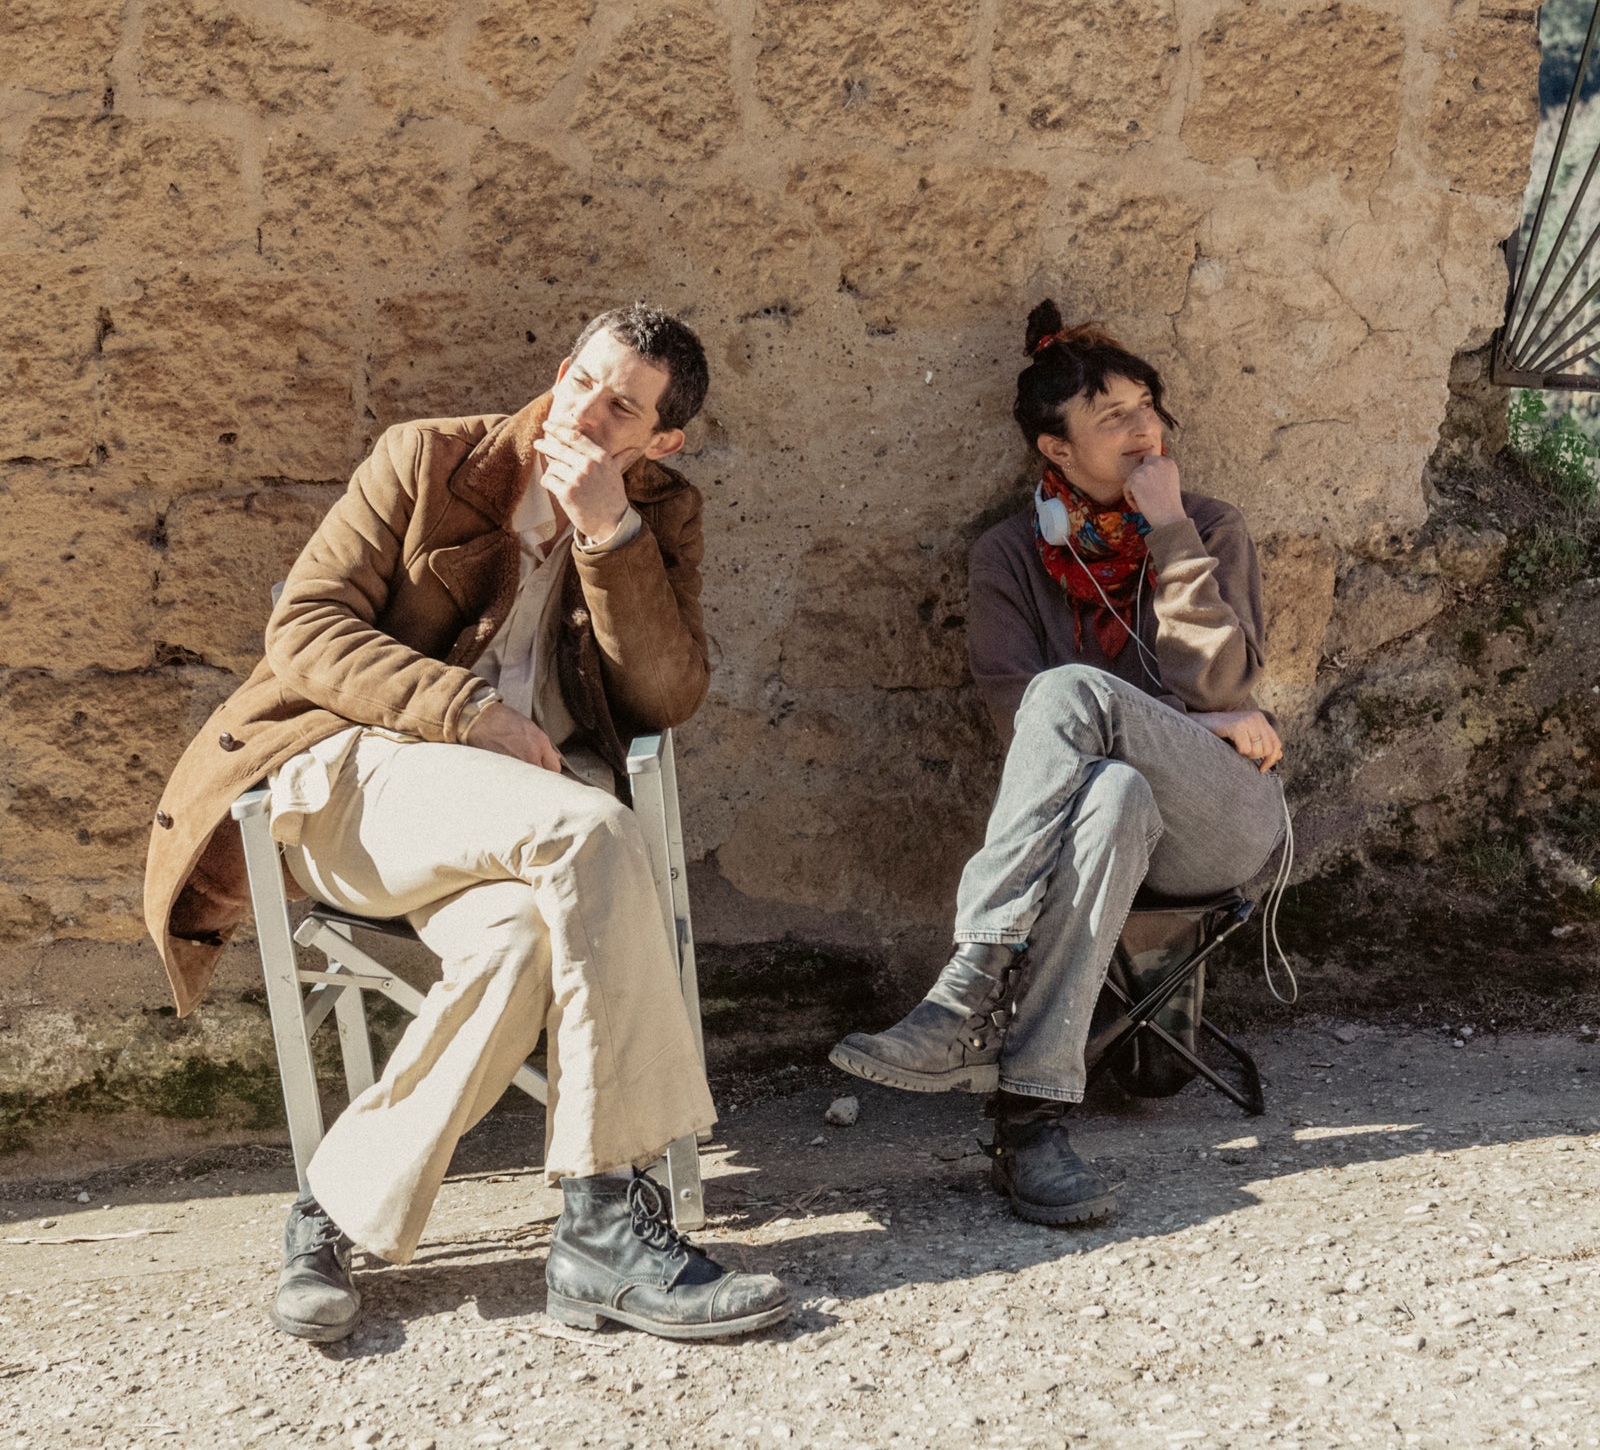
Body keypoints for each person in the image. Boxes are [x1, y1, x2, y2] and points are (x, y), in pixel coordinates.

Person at [144, 303, 791, 1343]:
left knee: (523, 937)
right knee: (595, 832)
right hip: (359, 782)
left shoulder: (660, 512)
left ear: (658, 441)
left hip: (513, 833)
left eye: (620, 406)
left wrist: (607, 533)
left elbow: (666, 694)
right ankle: (603, 1223)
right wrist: (466, 712)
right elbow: (304, 627)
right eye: (582, 377)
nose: (582, 408)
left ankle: (333, 1204)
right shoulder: (427, 459)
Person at [830, 299, 1286, 1226]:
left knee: (1073, 693)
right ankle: (1031, 1123)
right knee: (1109, 788)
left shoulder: (1211, 525)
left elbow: (1222, 682)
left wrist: (1170, 536)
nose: (1142, 426)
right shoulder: (1007, 554)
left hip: (1225, 821)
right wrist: (1204, 724)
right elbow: (1023, 721)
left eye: (1147, 405)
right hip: (1094, 823)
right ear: (1056, 449)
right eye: (1111, 415)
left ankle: (969, 986)